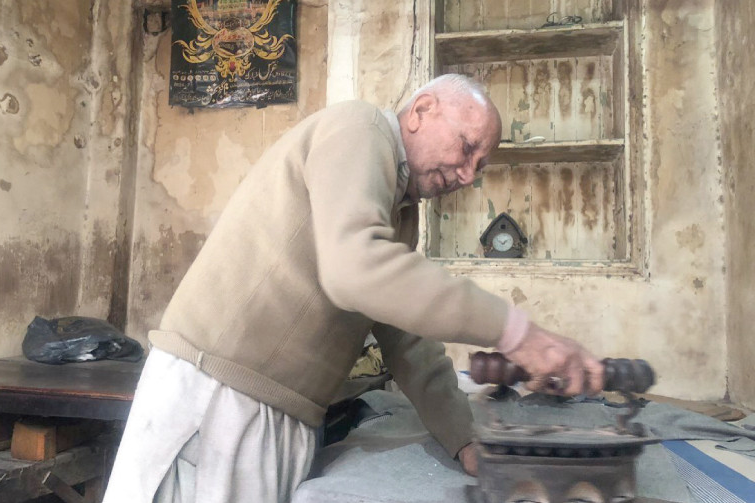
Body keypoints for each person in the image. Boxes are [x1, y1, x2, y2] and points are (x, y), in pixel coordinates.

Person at [102, 74, 604, 503]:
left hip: (279, 413)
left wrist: (464, 440)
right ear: (421, 111)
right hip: (217, 397)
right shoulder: (359, 128)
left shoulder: (399, 211)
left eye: (481, 165)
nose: (469, 174)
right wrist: (517, 332)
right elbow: (355, 269)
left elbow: (407, 341)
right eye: (467, 147)